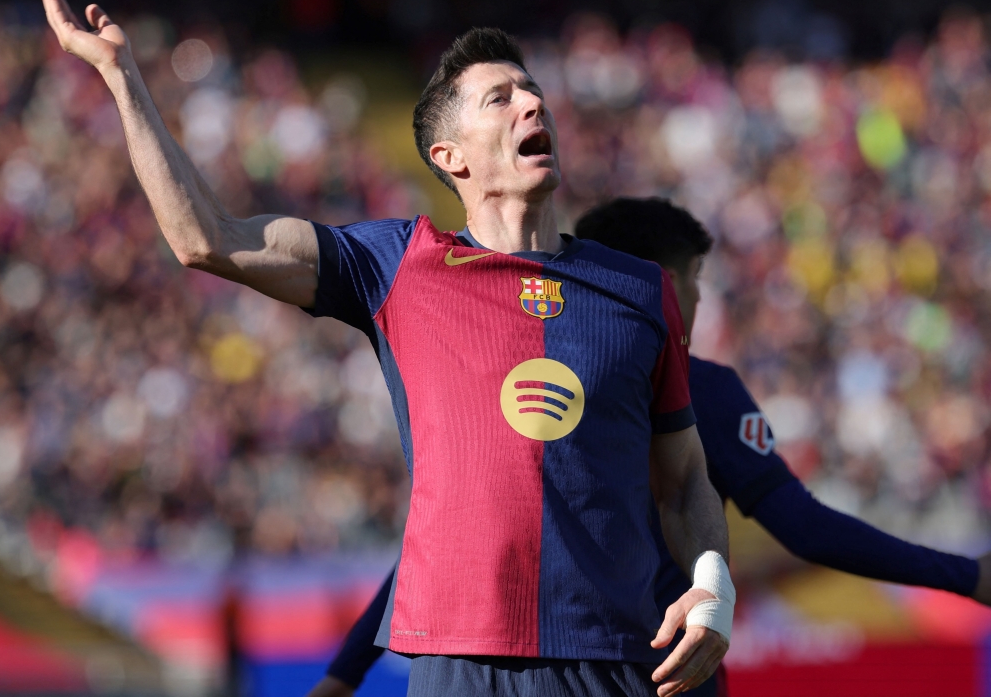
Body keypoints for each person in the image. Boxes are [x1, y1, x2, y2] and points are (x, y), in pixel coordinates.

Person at [39, 0, 733, 697]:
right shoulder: (398, 264)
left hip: (619, 659)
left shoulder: (639, 289)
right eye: (501, 98)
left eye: (533, 92)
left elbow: (682, 478)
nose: (533, 103)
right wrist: (122, 79)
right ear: (449, 157)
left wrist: (714, 583)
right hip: (460, 665)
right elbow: (206, 240)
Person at [309, 197, 991, 697]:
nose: (696, 297)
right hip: (662, 674)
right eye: (691, 277)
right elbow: (803, 526)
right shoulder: (705, 388)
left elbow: (446, 542)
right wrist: (966, 576)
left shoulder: (534, 377)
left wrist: (344, 674)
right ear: (659, 281)